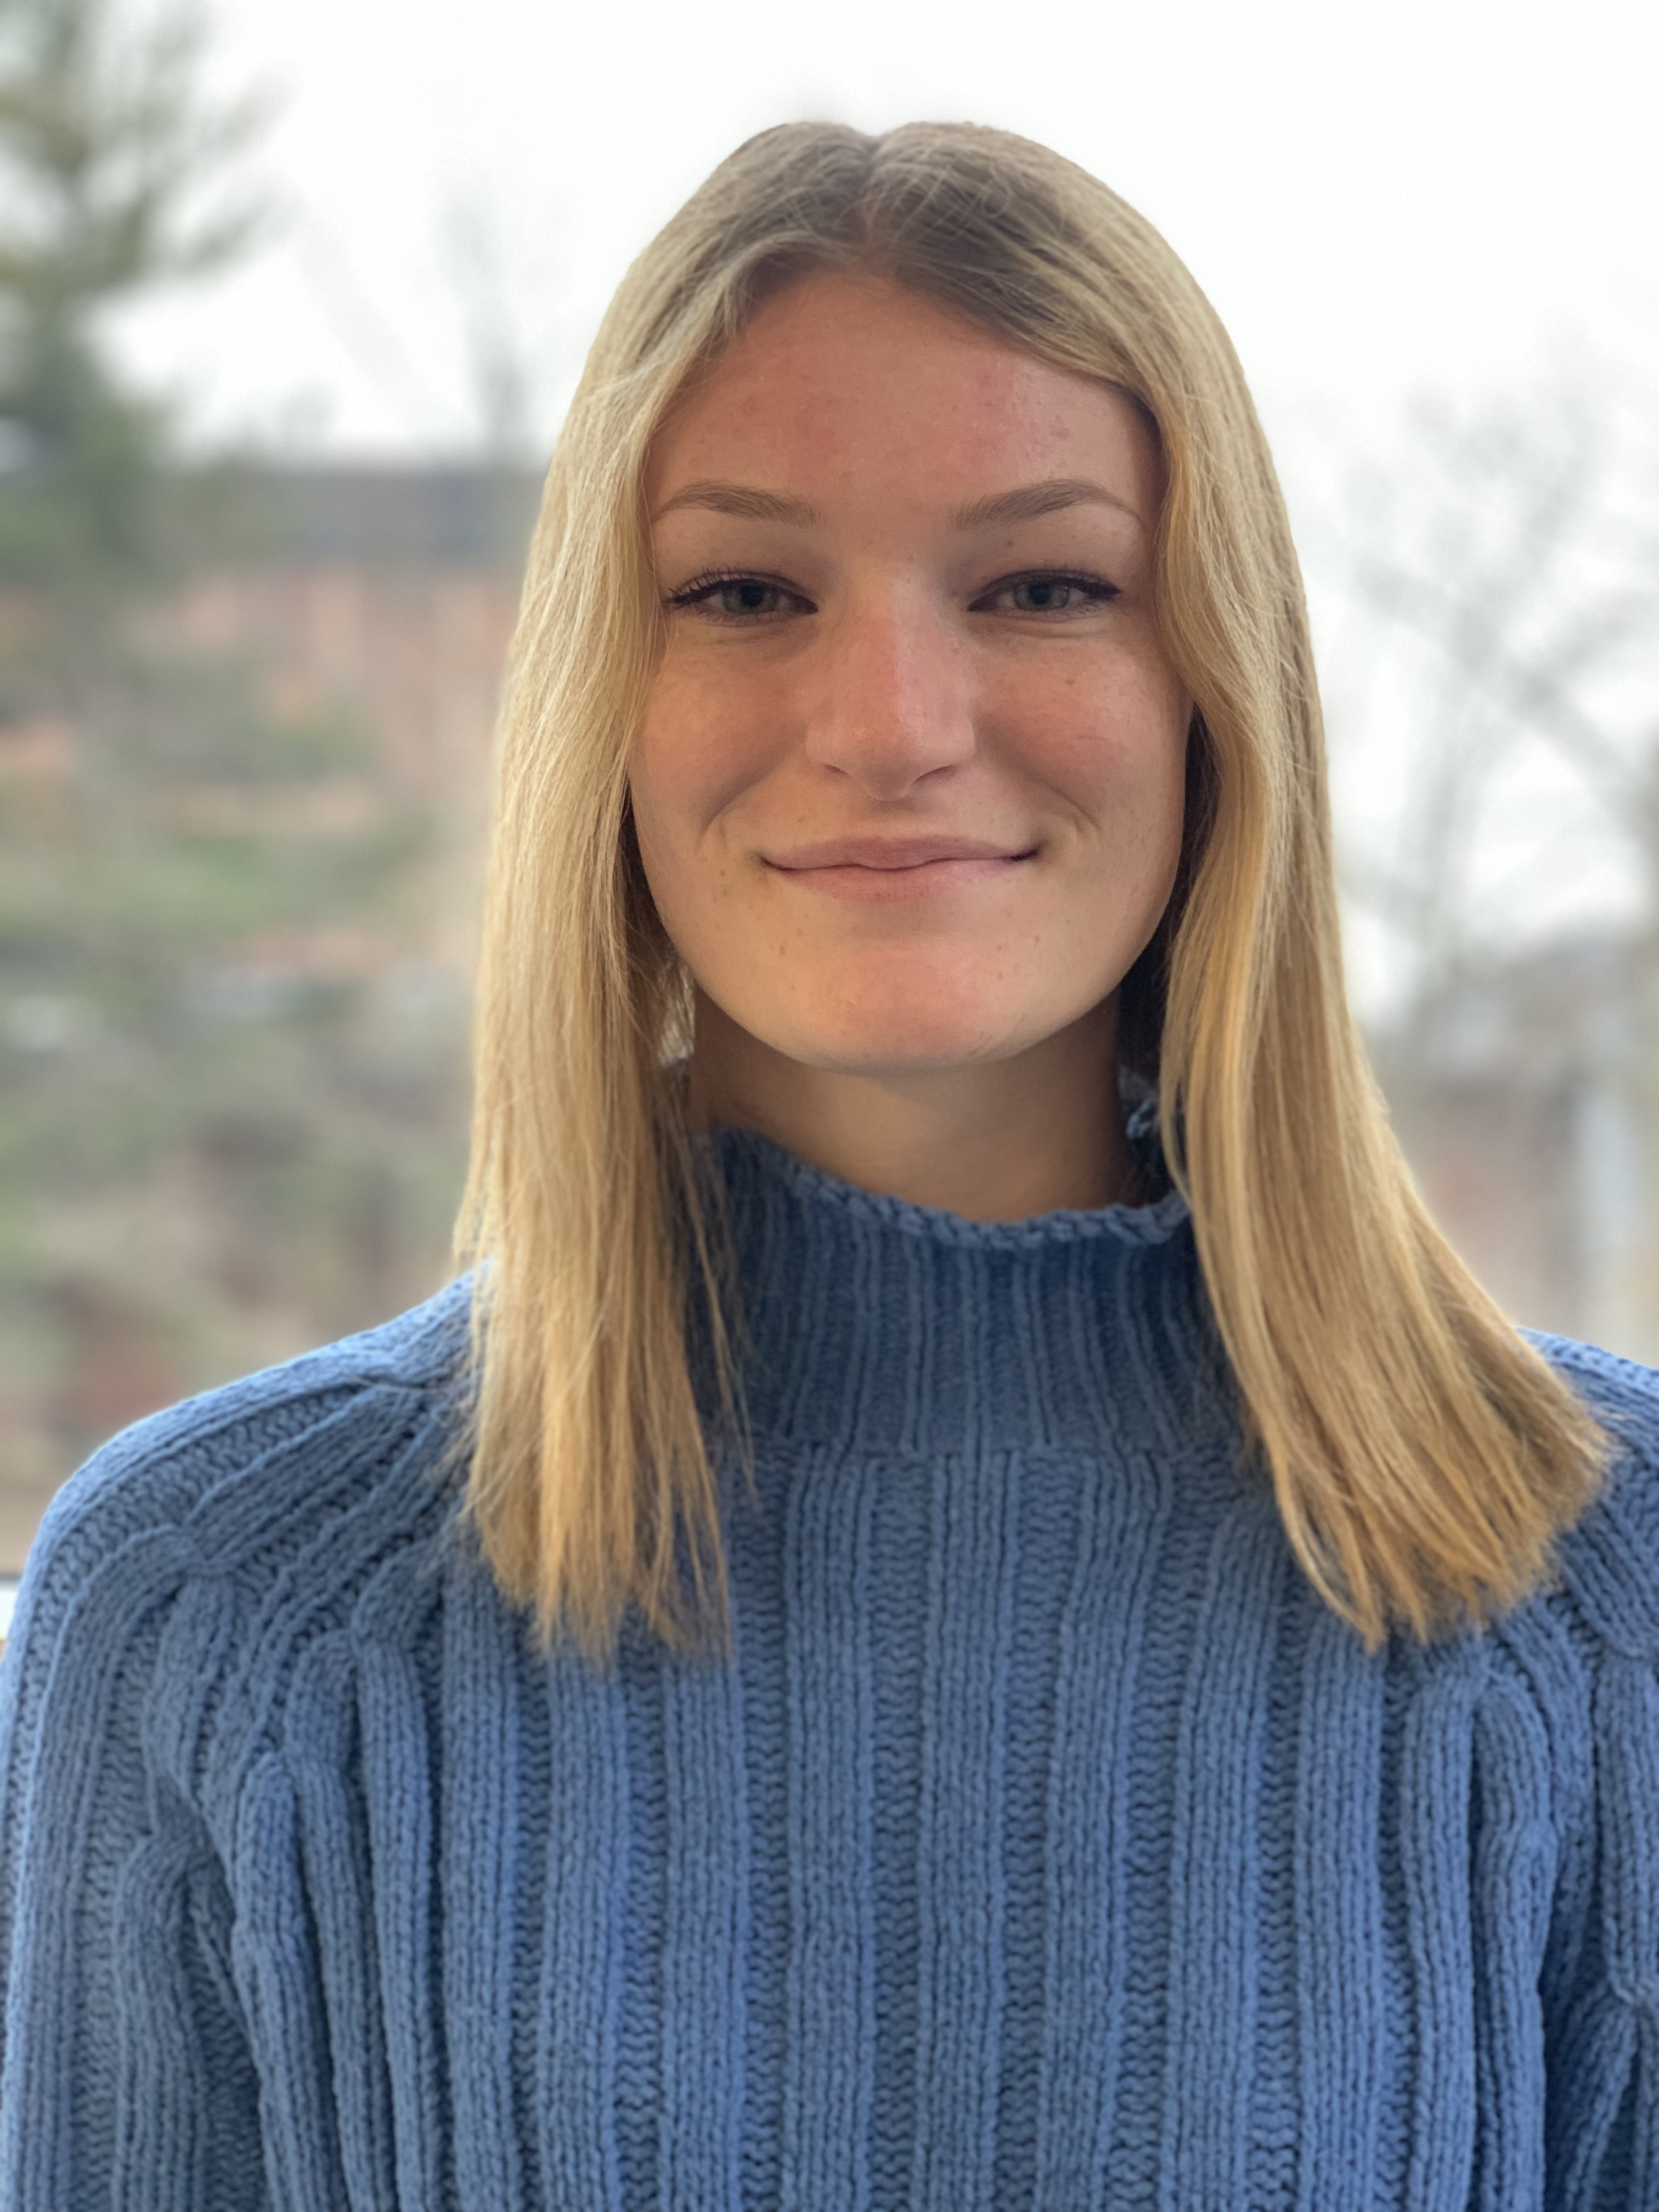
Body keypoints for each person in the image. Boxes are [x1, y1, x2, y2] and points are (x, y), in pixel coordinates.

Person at [2, 120, 1656, 2211]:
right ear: (602, 709)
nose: (888, 722)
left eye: (1042, 585)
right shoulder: (212, 1601)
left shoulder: (1610, 1598)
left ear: (1217, 692)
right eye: (744, 592)